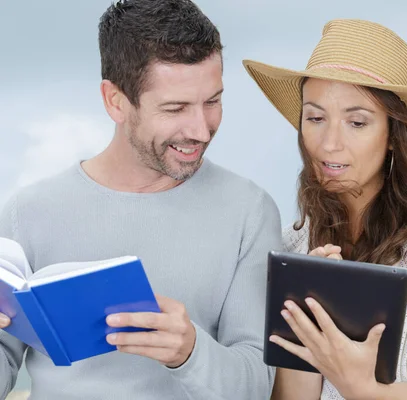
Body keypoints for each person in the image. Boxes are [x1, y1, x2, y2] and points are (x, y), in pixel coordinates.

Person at [0, 0, 281, 399]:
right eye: (175, 108)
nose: (201, 129)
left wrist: (190, 352)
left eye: (213, 100)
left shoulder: (249, 212)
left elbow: (256, 387)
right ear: (115, 101)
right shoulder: (25, 213)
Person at [243, 19, 407, 400]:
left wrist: (361, 387)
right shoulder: (295, 243)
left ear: (393, 135)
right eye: (315, 118)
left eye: (356, 122)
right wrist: (306, 323)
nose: (329, 144)